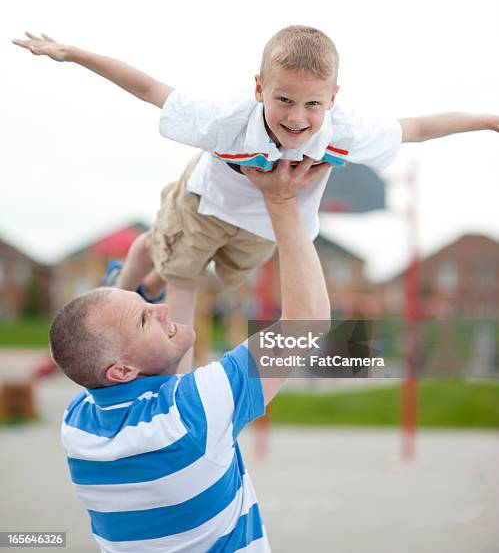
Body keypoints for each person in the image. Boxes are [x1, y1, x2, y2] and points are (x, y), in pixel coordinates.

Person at [14, 26, 499, 373]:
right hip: (204, 203)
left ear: (333, 98)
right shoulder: (225, 118)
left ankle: (147, 254)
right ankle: (174, 375)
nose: (297, 117)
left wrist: (485, 120)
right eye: (283, 100)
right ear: (259, 88)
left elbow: (416, 128)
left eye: (312, 104)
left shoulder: (346, 130)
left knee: (197, 268)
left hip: (262, 227)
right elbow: (149, 89)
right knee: (185, 278)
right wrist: (74, 54)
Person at [49, 157, 330, 553]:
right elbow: (307, 322)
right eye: (145, 319)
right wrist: (282, 202)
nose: (160, 308)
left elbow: (88, 343)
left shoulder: (81, 428)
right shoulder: (194, 410)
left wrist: (156, 271)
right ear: (122, 370)